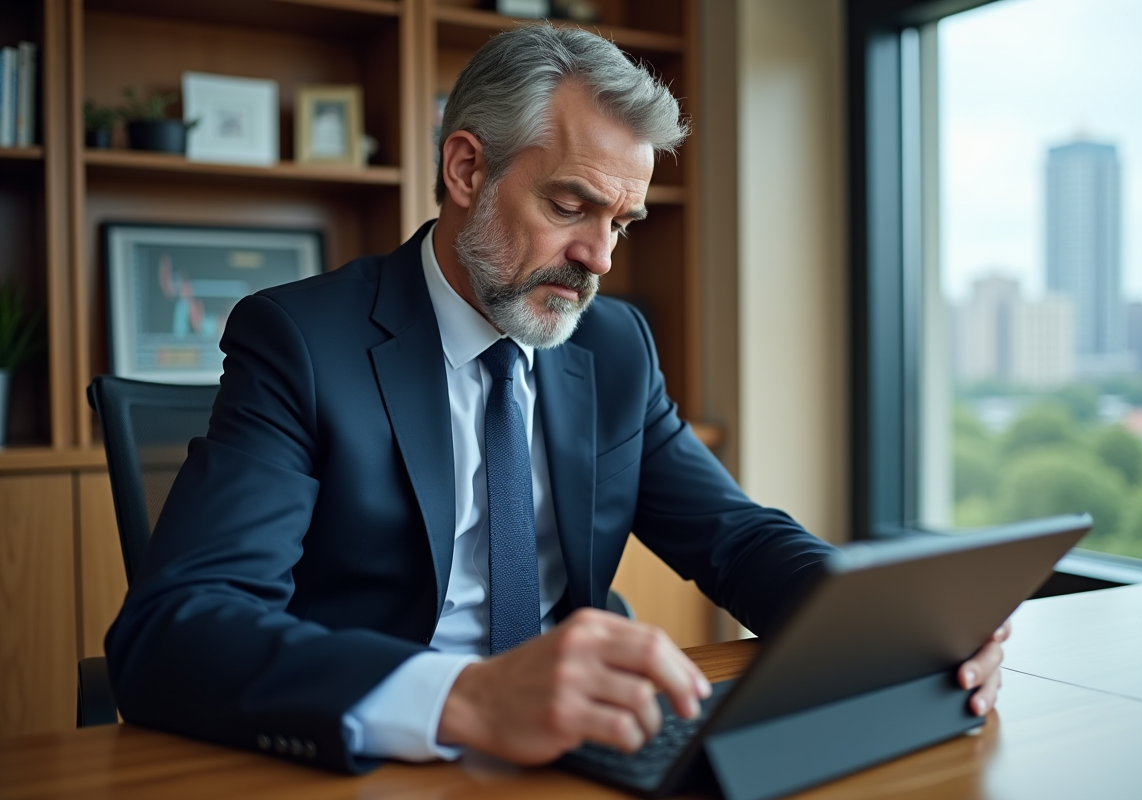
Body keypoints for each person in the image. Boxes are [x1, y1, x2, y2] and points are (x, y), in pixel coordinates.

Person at [105, 24, 1009, 774]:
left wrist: (887, 632)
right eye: (572, 206)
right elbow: (173, 630)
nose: (599, 258)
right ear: (467, 170)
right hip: (386, 755)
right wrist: (466, 697)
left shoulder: (613, 346)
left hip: (585, 749)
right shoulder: (303, 343)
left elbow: (735, 537)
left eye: (622, 222)